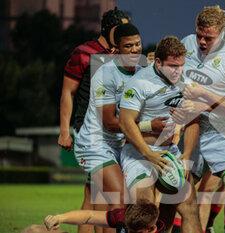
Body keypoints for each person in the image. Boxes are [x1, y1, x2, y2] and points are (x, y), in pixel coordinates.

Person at [170, 6, 225, 229]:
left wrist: (204, 103)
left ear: (222, 32)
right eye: (199, 35)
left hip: (221, 134)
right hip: (191, 131)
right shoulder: (186, 44)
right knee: (175, 195)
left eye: (209, 37)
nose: (202, 42)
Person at [118, 36, 202, 233]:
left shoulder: (186, 81)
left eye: (181, 65)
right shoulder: (139, 83)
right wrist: (148, 154)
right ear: (158, 62)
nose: (178, 71)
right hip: (139, 155)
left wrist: (187, 153)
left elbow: (193, 120)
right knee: (144, 211)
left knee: (189, 208)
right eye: (173, 66)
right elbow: (125, 122)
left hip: (169, 152)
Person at [57, 7, 129, 233]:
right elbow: (68, 93)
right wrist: (64, 131)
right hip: (90, 131)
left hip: (111, 132)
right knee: (107, 196)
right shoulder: (83, 52)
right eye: (121, 29)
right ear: (107, 29)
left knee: (92, 194)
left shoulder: (122, 55)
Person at [21, 199, 167, 233]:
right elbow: (89, 216)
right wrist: (60, 218)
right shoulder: (123, 217)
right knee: (33, 230)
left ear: (152, 229)